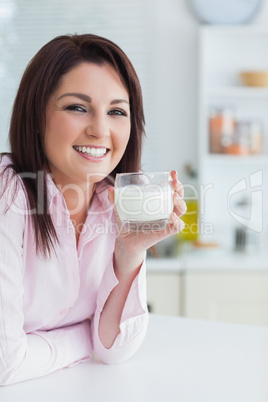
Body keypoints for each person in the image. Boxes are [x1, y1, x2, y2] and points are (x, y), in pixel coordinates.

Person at [0, 33, 186, 386]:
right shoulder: (9, 192)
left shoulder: (118, 200)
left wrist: (130, 252)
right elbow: (4, 362)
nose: (100, 129)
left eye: (117, 111)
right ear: (36, 115)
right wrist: (84, 339)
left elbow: (115, 349)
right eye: (77, 107)